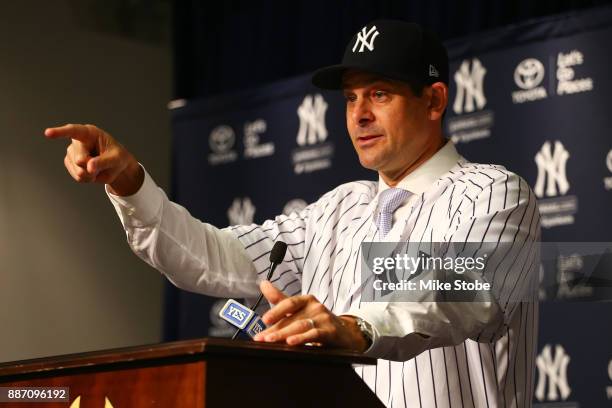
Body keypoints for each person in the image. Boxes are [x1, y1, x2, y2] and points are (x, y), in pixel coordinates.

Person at [46, 20, 540, 408]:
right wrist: (129, 182)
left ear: (433, 101)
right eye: (350, 98)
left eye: (379, 94)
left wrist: (354, 326)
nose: (359, 114)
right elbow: (209, 257)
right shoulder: (338, 208)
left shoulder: (493, 194)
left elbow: (454, 293)